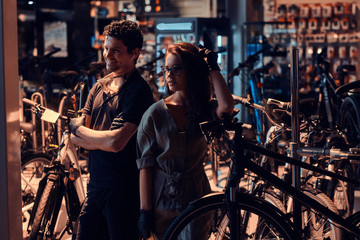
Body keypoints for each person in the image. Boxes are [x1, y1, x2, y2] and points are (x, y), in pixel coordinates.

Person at [136, 42, 234, 239]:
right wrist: (145, 212)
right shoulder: (155, 113)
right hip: (161, 200)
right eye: (166, 69)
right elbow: (145, 166)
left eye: (176, 69)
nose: (169, 75)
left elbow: (226, 107)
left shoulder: (203, 108)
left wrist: (213, 67)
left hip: (196, 196)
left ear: (192, 71)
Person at [69, 20, 153, 240]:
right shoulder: (98, 86)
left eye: (115, 50)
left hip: (122, 193)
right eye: (106, 48)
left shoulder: (138, 91)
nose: (107, 55)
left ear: (134, 53)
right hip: (95, 186)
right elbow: (75, 138)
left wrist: (79, 129)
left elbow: (116, 142)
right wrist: (96, 138)